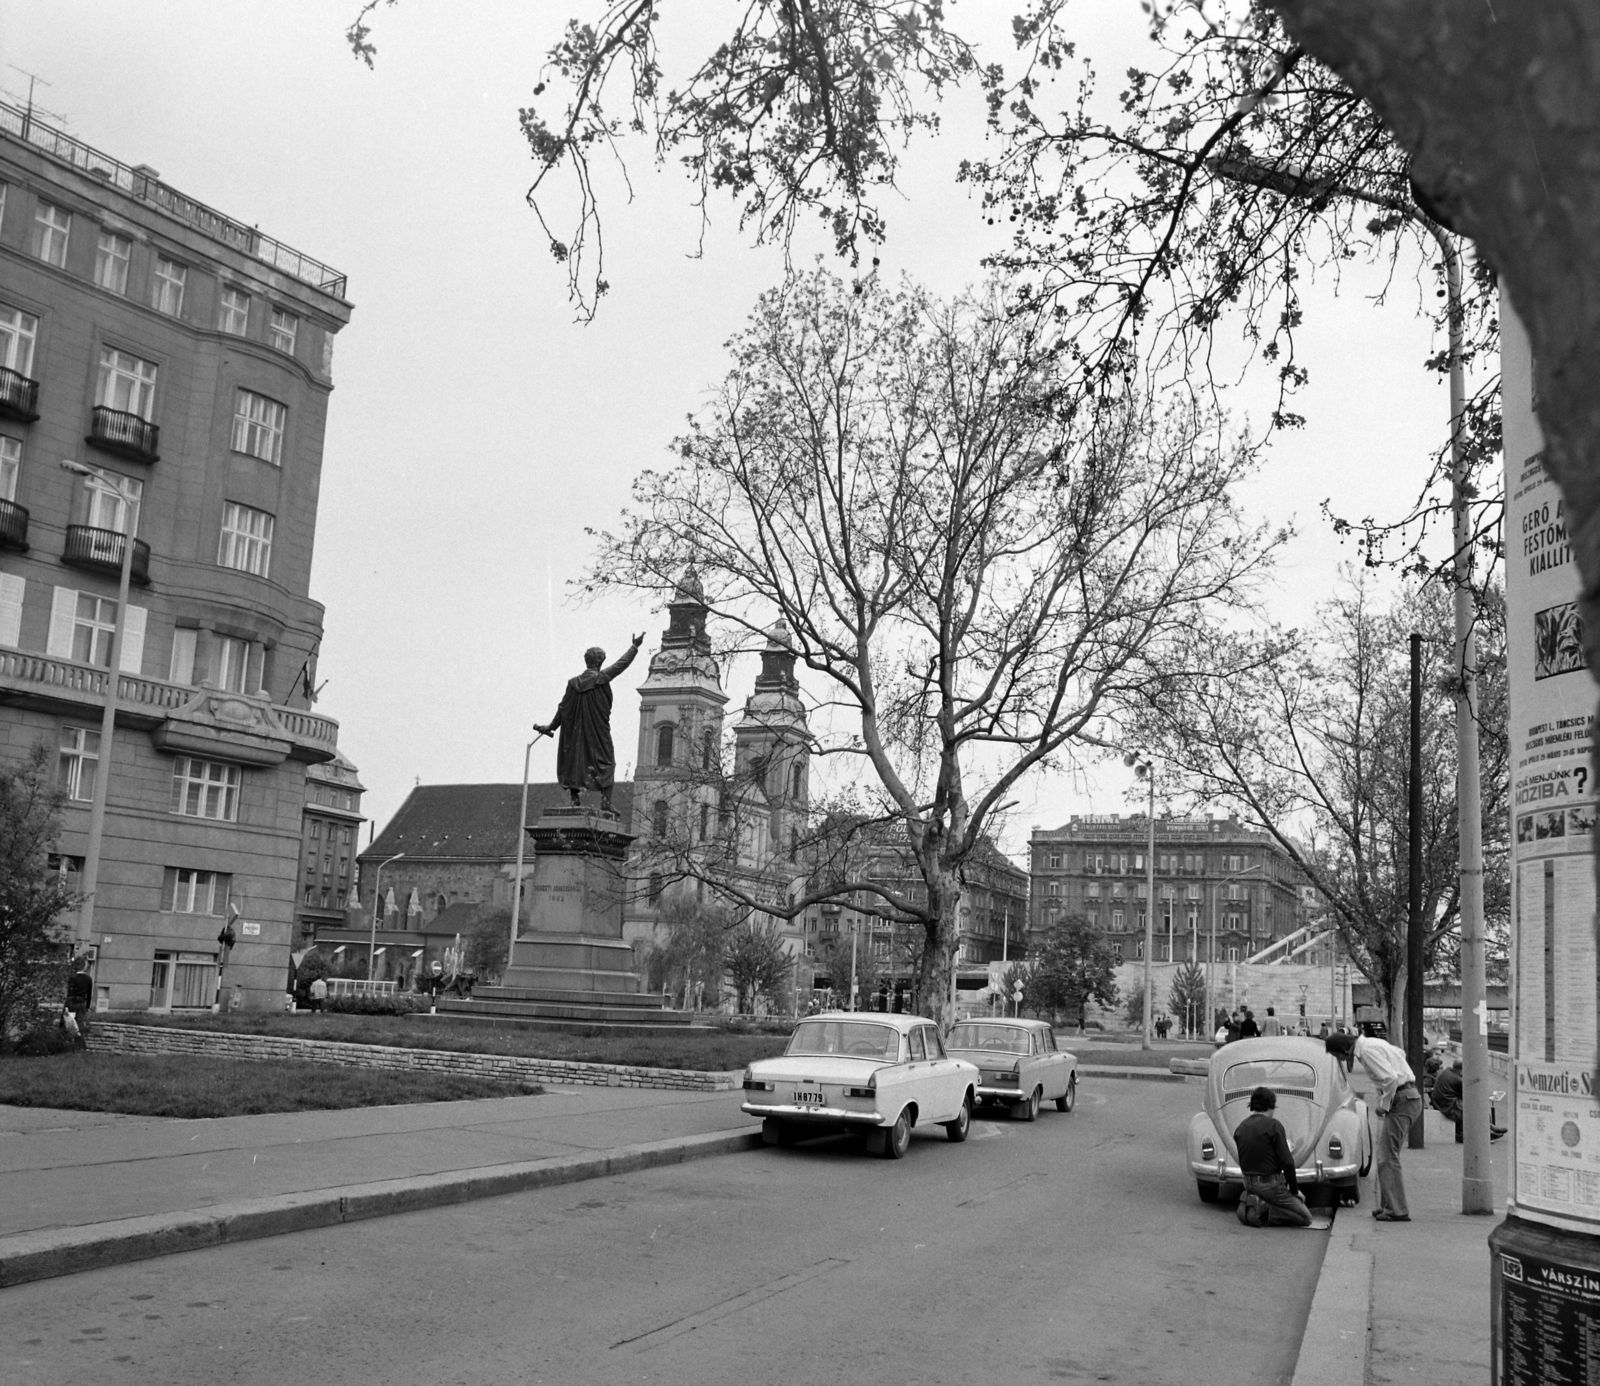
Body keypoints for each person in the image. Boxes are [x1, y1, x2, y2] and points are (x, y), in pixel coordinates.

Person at [533, 633, 645, 814]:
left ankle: (575, 801)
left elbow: (563, 708)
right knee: (608, 763)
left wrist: (551, 727)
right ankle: (606, 802)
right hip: (597, 732)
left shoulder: (573, 683)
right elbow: (620, 665)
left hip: (577, 732)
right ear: (600, 662)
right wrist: (634, 647)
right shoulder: (601, 678)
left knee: (576, 762)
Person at [1326, 1030, 1422, 1221]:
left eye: (1339, 1056)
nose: (1343, 1060)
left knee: (1387, 1157)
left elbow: (1391, 1079)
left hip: (1401, 1100)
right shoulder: (1373, 1044)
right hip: (1408, 1097)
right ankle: (1389, 1205)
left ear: (1345, 1049)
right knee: (1388, 1155)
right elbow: (1399, 1055)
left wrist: (1383, 1105)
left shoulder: (1367, 1052)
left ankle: (1396, 1209)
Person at [1234, 1086, 1313, 1227]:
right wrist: (1294, 1191)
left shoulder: (1241, 1127)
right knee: (1305, 1218)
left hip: (1247, 1182)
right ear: (1271, 1106)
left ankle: (1253, 1202)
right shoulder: (1274, 1126)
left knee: (1269, 1194)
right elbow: (1288, 1163)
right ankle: (1263, 1210)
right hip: (1269, 1184)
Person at [1431, 1057, 1506, 1144]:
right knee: (1474, 1110)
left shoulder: (1447, 1071)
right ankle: (1486, 1134)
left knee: (1476, 1107)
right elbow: (1469, 1095)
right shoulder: (1458, 1080)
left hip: (1442, 1102)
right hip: (1448, 1106)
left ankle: (1491, 1128)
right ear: (1461, 1070)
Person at [65, 958, 93, 1039]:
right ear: (84, 966)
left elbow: (70, 992)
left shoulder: (72, 978)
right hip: (82, 1003)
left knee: (70, 1024)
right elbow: (89, 994)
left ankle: (70, 1041)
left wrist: (67, 1006)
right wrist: (87, 1006)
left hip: (72, 1003)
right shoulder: (88, 979)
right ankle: (79, 1044)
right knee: (80, 1024)